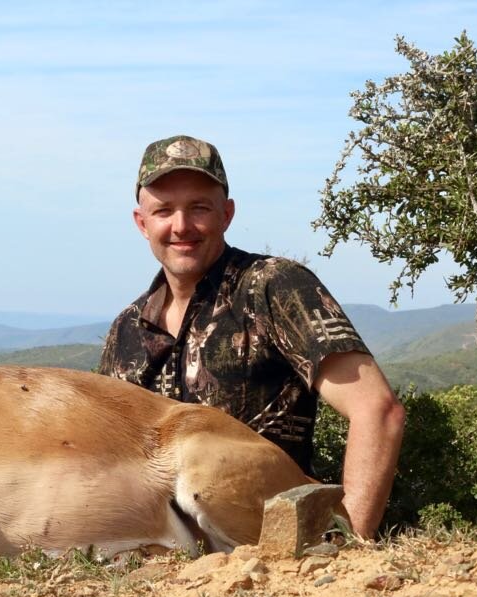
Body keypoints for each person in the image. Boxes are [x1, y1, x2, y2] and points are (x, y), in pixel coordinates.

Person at [98, 135, 404, 539]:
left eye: (199, 208)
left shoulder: (273, 287)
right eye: (164, 211)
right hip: (157, 556)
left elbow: (378, 410)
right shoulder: (127, 329)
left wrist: (352, 540)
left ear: (227, 214)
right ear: (142, 223)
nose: (181, 226)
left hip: (269, 544)